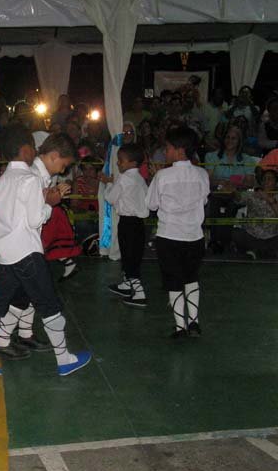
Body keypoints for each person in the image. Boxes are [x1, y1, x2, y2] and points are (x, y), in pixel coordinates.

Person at [0, 125, 91, 376]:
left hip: (4, 253)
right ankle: (64, 359)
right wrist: (50, 204)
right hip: (27, 252)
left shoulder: (0, 182)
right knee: (50, 306)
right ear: (26, 150)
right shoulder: (30, 180)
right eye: (33, 147)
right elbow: (35, 220)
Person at [146, 126, 209, 338]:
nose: (165, 151)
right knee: (191, 278)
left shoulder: (162, 176)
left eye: (168, 148)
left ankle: (180, 326)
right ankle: (194, 323)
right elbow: (204, 200)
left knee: (173, 281)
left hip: (169, 236)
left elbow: (151, 204)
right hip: (194, 236)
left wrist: (155, 179)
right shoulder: (202, 174)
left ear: (179, 150)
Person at [204, 125, 261, 253]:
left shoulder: (247, 159)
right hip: (217, 191)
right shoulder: (211, 156)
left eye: (233, 138)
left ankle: (222, 242)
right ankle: (218, 241)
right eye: (227, 137)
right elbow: (208, 179)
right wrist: (222, 183)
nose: (229, 140)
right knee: (217, 203)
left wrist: (233, 185)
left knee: (230, 204)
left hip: (237, 193)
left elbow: (250, 182)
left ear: (239, 141)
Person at [105, 143, 150, 307]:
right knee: (133, 255)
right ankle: (126, 284)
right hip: (139, 224)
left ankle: (139, 293)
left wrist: (109, 184)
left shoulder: (124, 178)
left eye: (121, 160)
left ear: (133, 163)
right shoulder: (140, 179)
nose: (118, 163)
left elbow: (110, 198)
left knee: (129, 256)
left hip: (127, 223)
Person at [34, 134, 81, 281]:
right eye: (63, 166)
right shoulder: (33, 177)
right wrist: (49, 203)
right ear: (54, 156)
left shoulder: (41, 175)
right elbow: (33, 218)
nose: (62, 171)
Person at [232, 167, 278, 259]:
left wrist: (270, 200)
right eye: (264, 179)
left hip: (272, 237)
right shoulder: (253, 194)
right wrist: (233, 191)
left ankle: (255, 252)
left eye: (270, 179)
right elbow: (239, 198)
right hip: (252, 235)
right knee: (236, 233)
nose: (266, 181)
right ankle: (261, 252)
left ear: (276, 183)